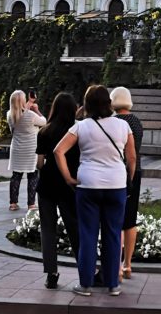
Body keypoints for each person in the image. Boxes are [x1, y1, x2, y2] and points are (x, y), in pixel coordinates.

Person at [55, 85, 137, 297]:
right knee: (112, 235)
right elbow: (132, 157)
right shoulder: (122, 126)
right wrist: (129, 179)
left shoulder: (81, 127)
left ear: (87, 104)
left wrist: (68, 178)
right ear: (109, 104)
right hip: (116, 185)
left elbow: (59, 151)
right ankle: (113, 285)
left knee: (88, 235)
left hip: (88, 185)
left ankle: (85, 285)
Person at [36, 92, 80, 289]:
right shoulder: (77, 130)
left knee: (47, 228)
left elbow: (39, 163)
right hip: (68, 184)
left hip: (46, 184)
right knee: (74, 228)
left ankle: (51, 274)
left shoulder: (44, 131)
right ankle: (85, 268)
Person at [112, 87, 144, 280]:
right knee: (130, 220)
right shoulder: (137, 121)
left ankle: (116, 267)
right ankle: (128, 265)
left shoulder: (115, 122)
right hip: (136, 172)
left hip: (117, 173)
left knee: (115, 219)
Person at [7, 89, 46, 211]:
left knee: (16, 176)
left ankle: (13, 203)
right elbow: (44, 122)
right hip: (30, 149)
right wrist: (36, 109)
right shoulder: (31, 115)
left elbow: (14, 126)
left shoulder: (10, 115)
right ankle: (31, 204)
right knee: (33, 176)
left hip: (17, 149)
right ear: (24, 101)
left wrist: (29, 104)